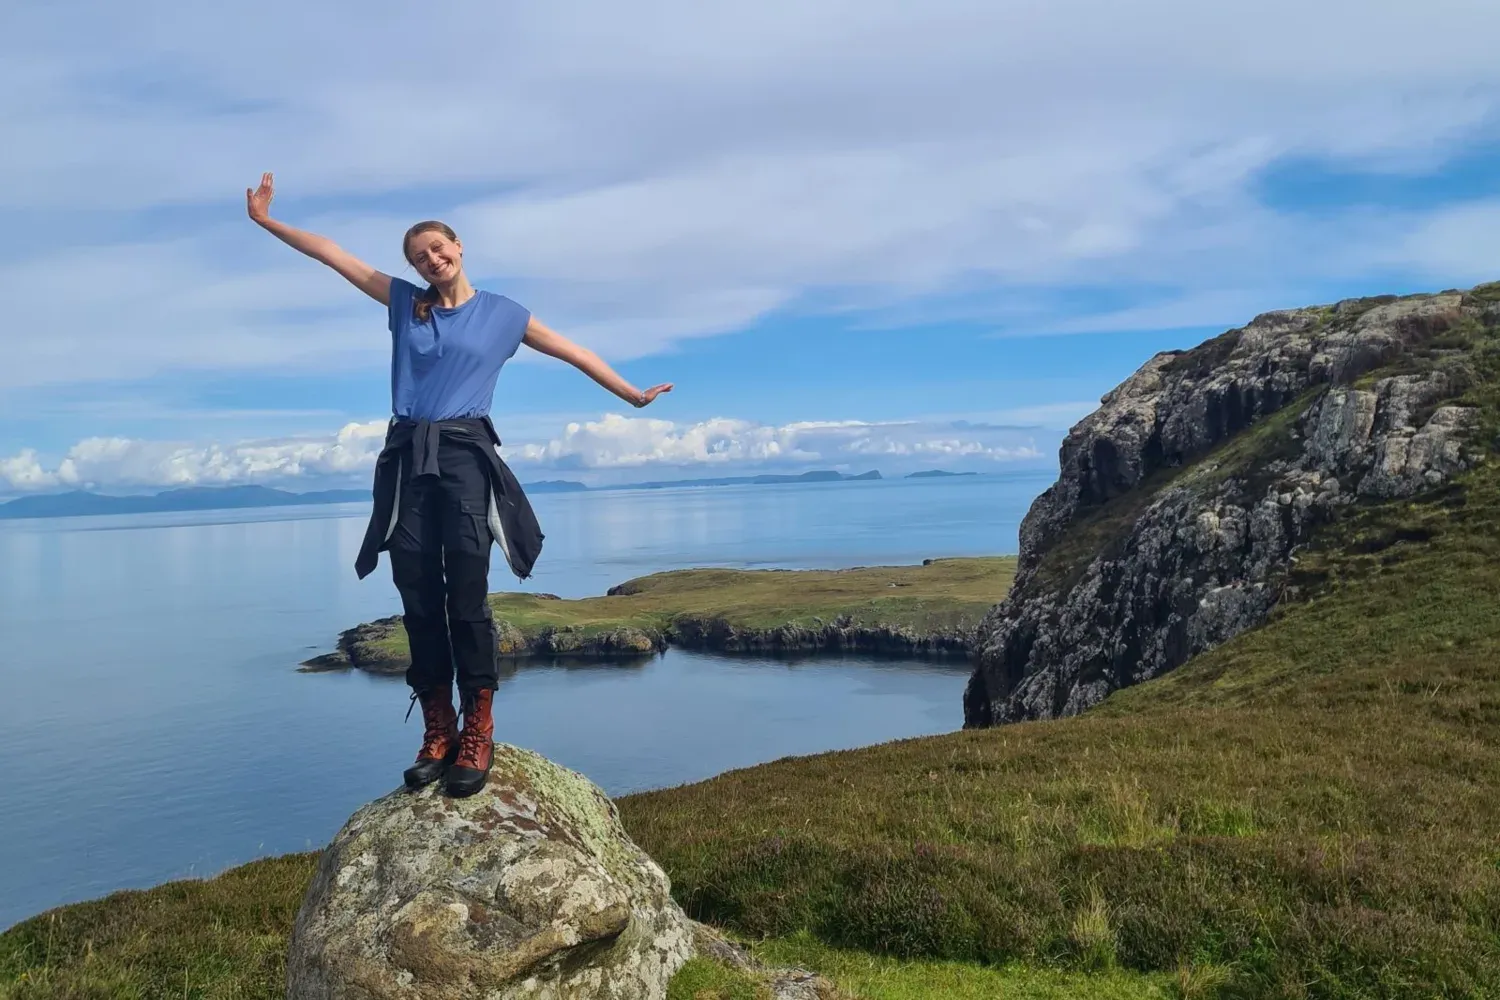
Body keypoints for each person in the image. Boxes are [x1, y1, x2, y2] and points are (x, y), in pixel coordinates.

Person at [246, 172, 672, 798]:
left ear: (460, 246)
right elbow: (334, 255)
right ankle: (437, 727)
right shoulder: (403, 303)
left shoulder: (504, 314)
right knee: (416, 591)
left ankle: (479, 726)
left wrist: (631, 394)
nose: (432, 260)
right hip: (405, 455)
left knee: (466, 592)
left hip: (466, 454)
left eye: (438, 249)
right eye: (419, 257)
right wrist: (267, 221)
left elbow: (574, 352)